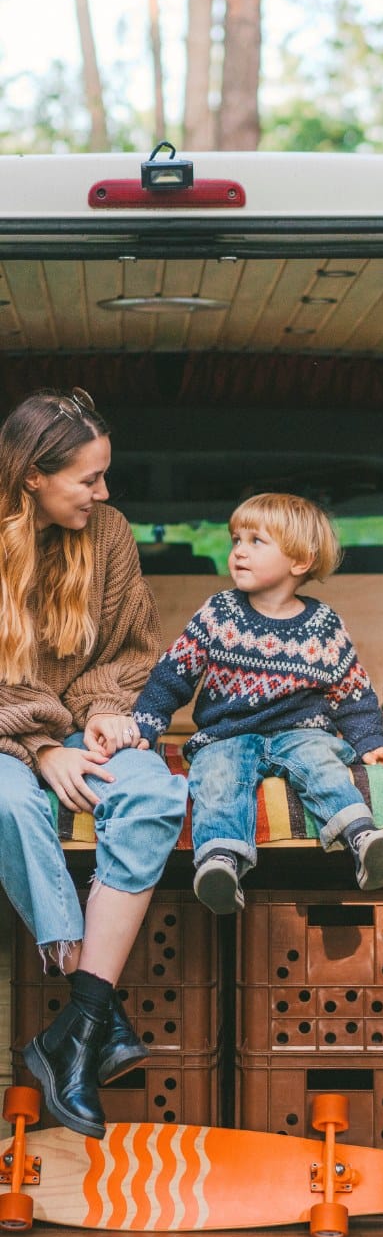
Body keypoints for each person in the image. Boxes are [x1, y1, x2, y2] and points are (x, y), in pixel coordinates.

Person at [0, 388, 188, 1140]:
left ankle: (74, 1026)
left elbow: (131, 650)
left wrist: (111, 709)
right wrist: (41, 749)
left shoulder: (108, 534)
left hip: (81, 722)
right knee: (11, 805)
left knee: (153, 795)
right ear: (33, 477)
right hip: (13, 735)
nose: (105, 493)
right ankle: (92, 1025)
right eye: (89, 478)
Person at [133, 492, 383, 914]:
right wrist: (145, 726)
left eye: (256, 542)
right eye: (235, 540)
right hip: (227, 734)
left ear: (299, 561)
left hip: (301, 733)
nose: (238, 551)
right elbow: (173, 676)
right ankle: (220, 862)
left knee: (322, 764)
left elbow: (352, 693)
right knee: (217, 776)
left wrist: (371, 741)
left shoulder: (323, 625)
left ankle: (362, 837)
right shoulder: (218, 613)